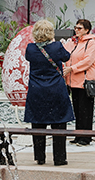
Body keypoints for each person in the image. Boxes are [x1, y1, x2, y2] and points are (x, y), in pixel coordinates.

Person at [24, 18, 74, 166]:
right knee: (59, 124)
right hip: (56, 91)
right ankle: (59, 158)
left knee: (38, 124)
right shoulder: (57, 46)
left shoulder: (30, 49)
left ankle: (40, 157)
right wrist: (53, 42)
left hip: (37, 91)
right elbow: (67, 57)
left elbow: (28, 58)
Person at [63, 18, 95, 145]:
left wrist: (72, 68)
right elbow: (64, 54)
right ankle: (78, 135)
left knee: (86, 111)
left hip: (84, 81)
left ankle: (86, 137)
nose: (76, 30)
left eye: (80, 28)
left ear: (87, 30)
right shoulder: (72, 42)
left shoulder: (91, 43)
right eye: (76, 27)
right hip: (73, 81)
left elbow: (88, 61)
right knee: (77, 110)